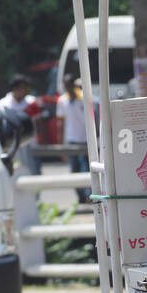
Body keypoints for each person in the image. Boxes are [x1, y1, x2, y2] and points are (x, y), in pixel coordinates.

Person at [0, 73, 42, 175]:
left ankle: (36, 191)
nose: (25, 91)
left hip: (30, 143)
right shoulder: (2, 104)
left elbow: (39, 122)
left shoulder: (31, 102)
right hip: (11, 146)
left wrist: (41, 139)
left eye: (26, 88)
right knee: (16, 172)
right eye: (22, 88)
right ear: (15, 88)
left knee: (34, 170)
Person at [56, 74, 90, 203]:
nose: (68, 88)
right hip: (71, 139)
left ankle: (88, 194)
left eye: (69, 85)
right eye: (66, 86)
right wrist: (60, 145)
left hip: (86, 139)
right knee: (74, 169)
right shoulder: (62, 101)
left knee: (86, 168)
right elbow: (61, 124)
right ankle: (80, 196)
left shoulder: (83, 97)